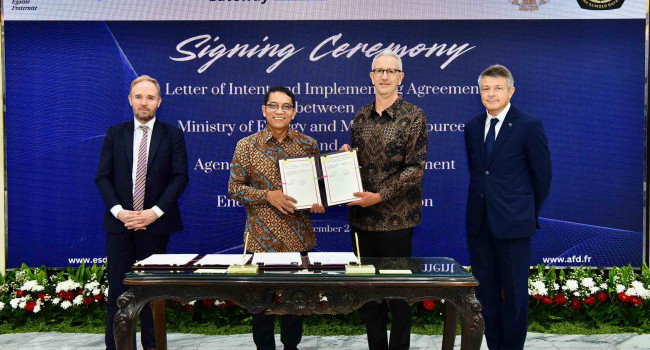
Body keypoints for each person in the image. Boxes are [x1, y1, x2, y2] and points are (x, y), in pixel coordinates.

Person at [342, 50, 428, 350]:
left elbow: (415, 169)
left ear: (401, 77)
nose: (385, 76)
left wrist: (379, 196)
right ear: (371, 76)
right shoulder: (360, 117)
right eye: (379, 70)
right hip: (362, 221)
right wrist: (345, 162)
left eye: (391, 71)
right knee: (370, 295)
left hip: (398, 220)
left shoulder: (414, 116)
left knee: (399, 295)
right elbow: (357, 164)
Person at [228, 85, 325, 350]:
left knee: (294, 305)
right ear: (264, 110)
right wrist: (267, 195)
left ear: (294, 112)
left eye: (285, 107)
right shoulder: (246, 146)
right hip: (260, 239)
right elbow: (234, 188)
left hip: (297, 237)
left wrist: (319, 201)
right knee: (261, 306)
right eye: (273, 105)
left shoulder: (308, 145)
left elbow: (319, 188)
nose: (279, 111)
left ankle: (291, 347)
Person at [96, 75, 189, 350]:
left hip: (155, 226)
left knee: (151, 294)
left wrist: (154, 213)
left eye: (150, 97)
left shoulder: (172, 134)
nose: (144, 102)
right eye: (139, 97)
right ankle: (115, 347)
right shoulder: (115, 133)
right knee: (118, 292)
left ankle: (152, 346)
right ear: (130, 100)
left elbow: (180, 178)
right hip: (120, 225)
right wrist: (120, 212)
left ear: (159, 102)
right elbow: (103, 177)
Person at [464, 64, 551, 350]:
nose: (491, 94)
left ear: (511, 91)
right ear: (480, 92)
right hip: (480, 225)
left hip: (514, 225)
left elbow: (542, 176)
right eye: (486, 88)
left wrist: (525, 211)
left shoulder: (528, 125)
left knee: (514, 296)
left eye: (498, 88)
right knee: (486, 295)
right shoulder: (473, 127)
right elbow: (479, 172)